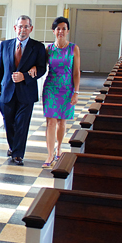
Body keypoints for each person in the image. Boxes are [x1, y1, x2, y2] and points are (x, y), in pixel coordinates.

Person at [0, 15, 48, 165]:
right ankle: (13, 146)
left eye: (26, 26)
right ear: (15, 28)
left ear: (31, 28)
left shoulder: (37, 47)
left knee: (22, 124)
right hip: (7, 91)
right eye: (20, 26)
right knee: (9, 122)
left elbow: (42, 69)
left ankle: (18, 154)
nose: (22, 29)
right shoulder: (5, 45)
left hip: (26, 92)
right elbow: (0, 69)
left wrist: (25, 76)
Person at [42, 17, 81, 167]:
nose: (61, 31)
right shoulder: (49, 49)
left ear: (67, 31)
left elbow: (76, 72)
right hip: (51, 87)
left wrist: (76, 92)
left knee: (61, 122)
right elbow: (41, 66)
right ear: (53, 31)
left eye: (64, 28)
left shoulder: (73, 48)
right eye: (58, 28)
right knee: (50, 122)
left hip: (67, 88)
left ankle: (59, 149)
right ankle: (50, 154)